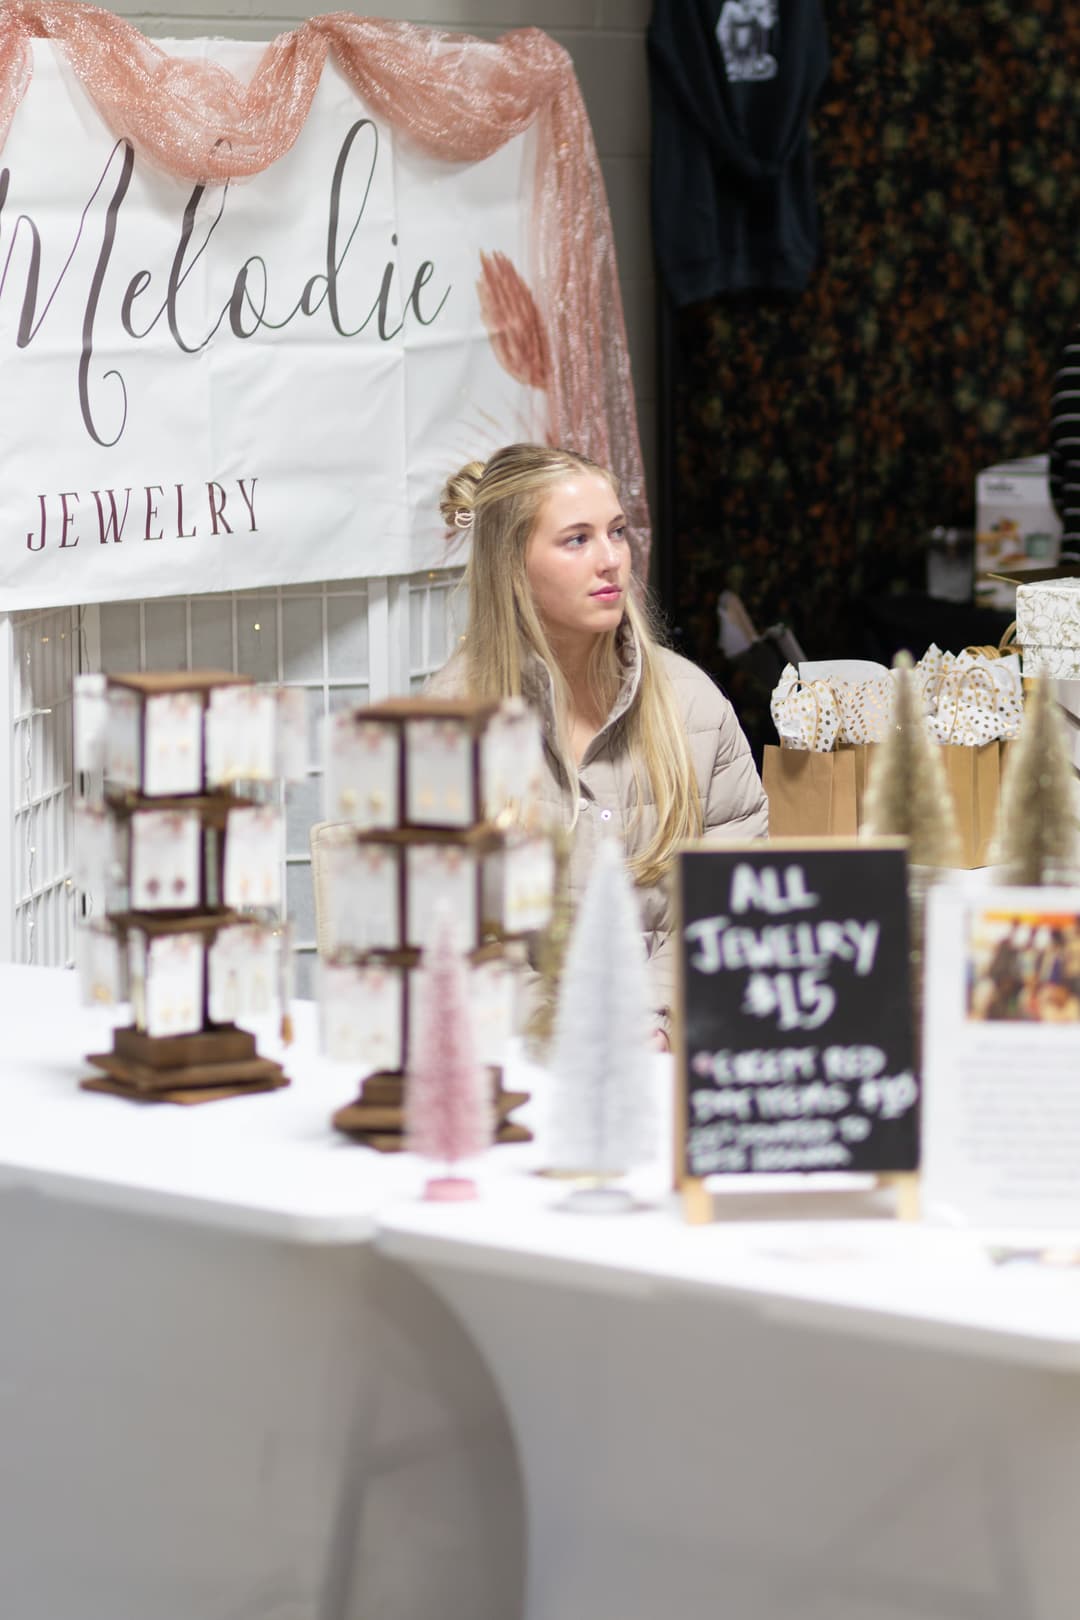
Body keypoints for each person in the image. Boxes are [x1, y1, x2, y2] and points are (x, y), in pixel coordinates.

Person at [428, 442, 768, 1048]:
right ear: (512, 564)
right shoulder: (449, 722)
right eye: (576, 540)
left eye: (616, 532)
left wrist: (654, 1023)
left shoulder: (693, 704)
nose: (611, 560)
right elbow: (450, 934)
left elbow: (733, 897)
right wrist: (568, 1032)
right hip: (519, 1062)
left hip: (672, 1050)